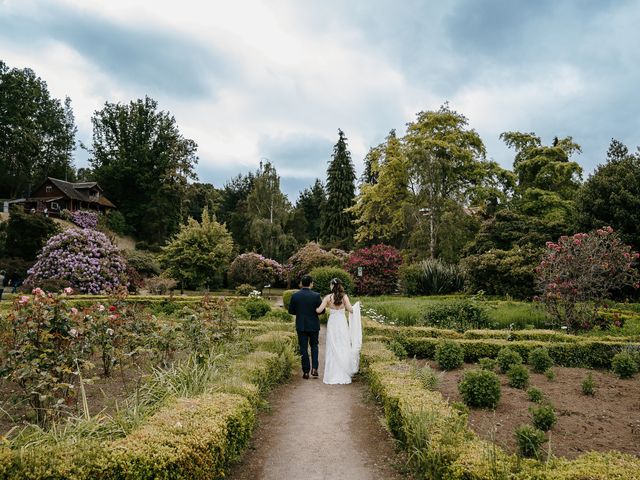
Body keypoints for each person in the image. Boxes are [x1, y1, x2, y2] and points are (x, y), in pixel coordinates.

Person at [316, 278, 362, 385]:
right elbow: (351, 310)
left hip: (332, 324)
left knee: (332, 346)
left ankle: (332, 374)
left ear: (332, 285)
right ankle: (344, 372)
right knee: (343, 345)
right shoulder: (344, 297)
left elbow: (319, 310)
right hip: (342, 324)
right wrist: (357, 305)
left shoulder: (328, 297)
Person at [288, 274, 323, 379]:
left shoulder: (295, 295)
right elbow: (322, 311)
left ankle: (306, 371)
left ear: (301, 283)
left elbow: (291, 311)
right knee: (314, 346)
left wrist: (300, 313)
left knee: (303, 348)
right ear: (311, 283)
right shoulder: (316, 296)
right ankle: (315, 369)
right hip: (314, 325)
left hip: (301, 325)